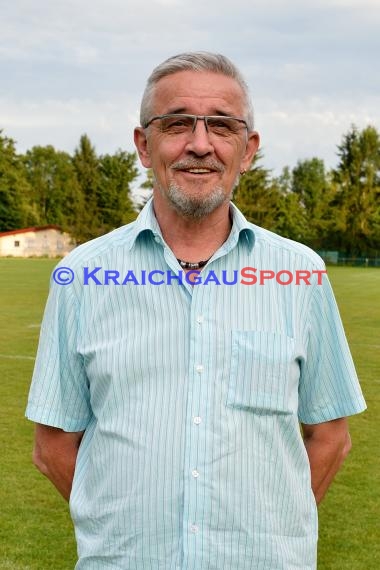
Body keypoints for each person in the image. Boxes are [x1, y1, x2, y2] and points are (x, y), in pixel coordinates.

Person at [26, 52, 366, 569]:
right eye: (177, 123)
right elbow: (52, 446)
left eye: (223, 127)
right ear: (144, 144)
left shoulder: (302, 274)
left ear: (248, 149)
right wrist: (122, 529)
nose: (200, 144)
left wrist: (271, 529)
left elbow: (330, 436)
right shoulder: (83, 276)